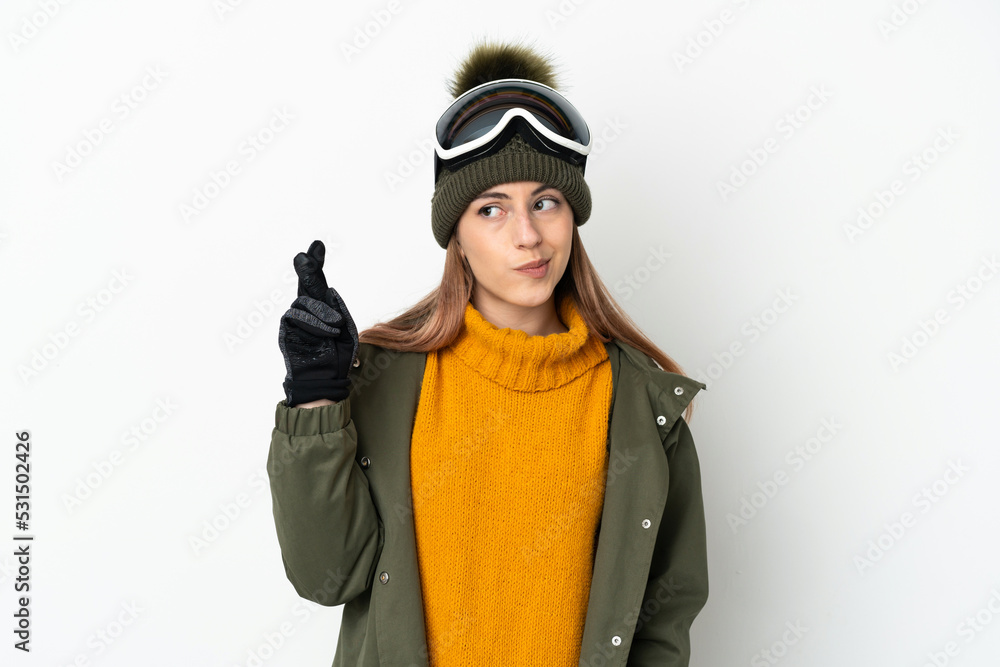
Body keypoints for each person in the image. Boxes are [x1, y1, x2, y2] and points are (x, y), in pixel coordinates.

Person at [267, 38, 709, 667]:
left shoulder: (644, 404)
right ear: (458, 236)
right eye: (491, 208)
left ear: (572, 216)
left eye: (545, 202)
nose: (527, 235)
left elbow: (666, 613)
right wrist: (314, 399)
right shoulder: (384, 384)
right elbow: (326, 577)